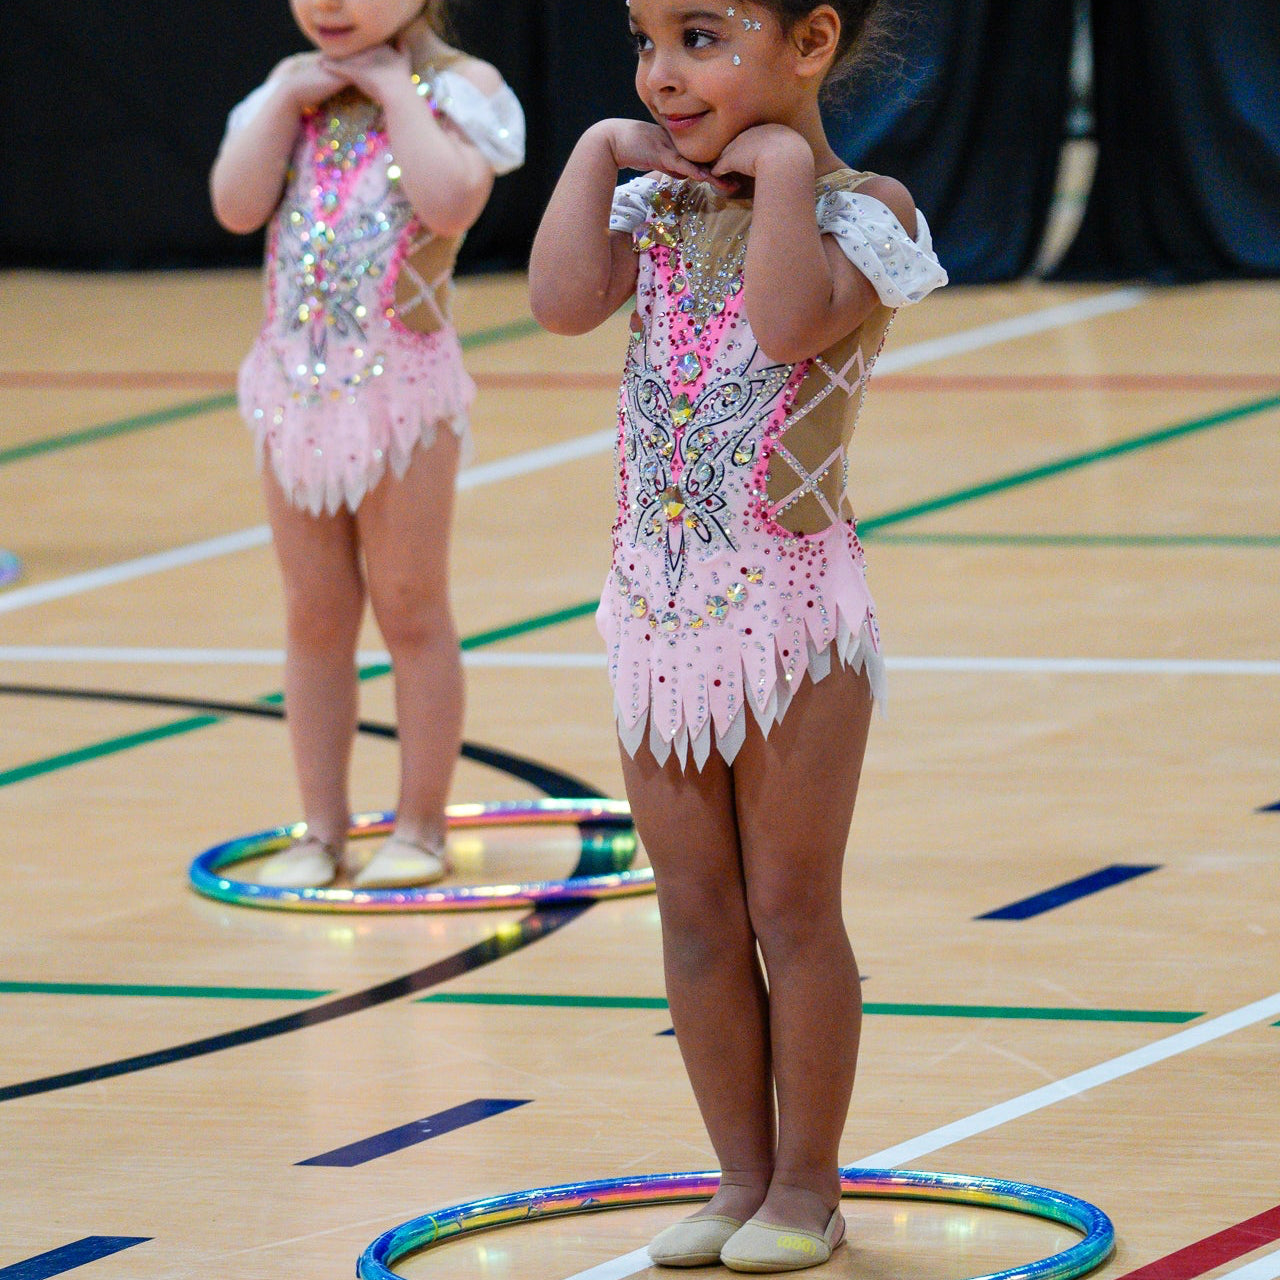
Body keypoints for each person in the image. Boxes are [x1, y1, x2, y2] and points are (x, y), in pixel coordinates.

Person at [530, 0, 945, 1271]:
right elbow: (555, 304)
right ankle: (737, 1177)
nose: (662, 74)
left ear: (808, 44)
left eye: (699, 38)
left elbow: (782, 324)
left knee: (787, 904)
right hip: (653, 611)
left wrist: (774, 168)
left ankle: (805, 1189)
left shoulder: (867, 208)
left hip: (790, 615)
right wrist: (596, 150)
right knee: (695, 909)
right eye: (644, 42)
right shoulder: (652, 197)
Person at [210, 0, 523, 889]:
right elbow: (236, 208)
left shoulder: (464, 88)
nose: (329, 5)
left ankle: (420, 824)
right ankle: (322, 828)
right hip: (293, 394)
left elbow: (455, 199)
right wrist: (279, 104)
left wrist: (398, 94)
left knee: (409, 602)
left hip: (401, 398)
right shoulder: (290, 92)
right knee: (313, 613)